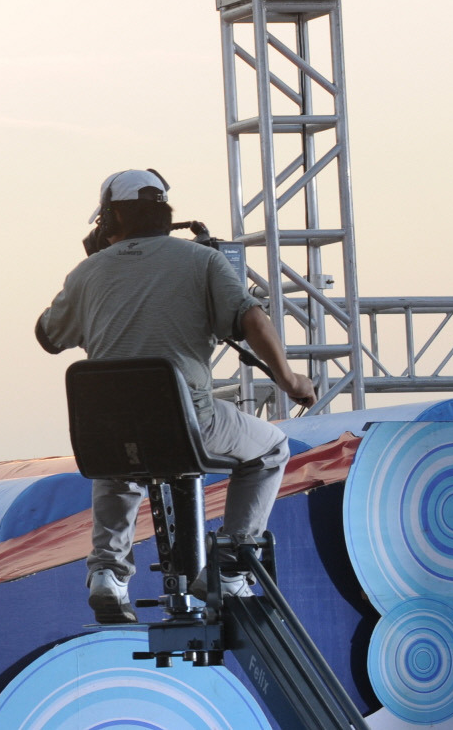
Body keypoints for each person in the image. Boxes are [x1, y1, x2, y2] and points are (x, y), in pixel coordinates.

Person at [35, 169, 315, 625]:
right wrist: (290, 381)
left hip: (109, 432)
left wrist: (98, 274)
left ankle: (108, 574)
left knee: (119, 457)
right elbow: (253, 321)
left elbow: (48, 336)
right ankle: (229, 568)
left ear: (111, 219)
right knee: (271, 448)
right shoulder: (203, 261)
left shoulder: (87, 272)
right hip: (189, 425)